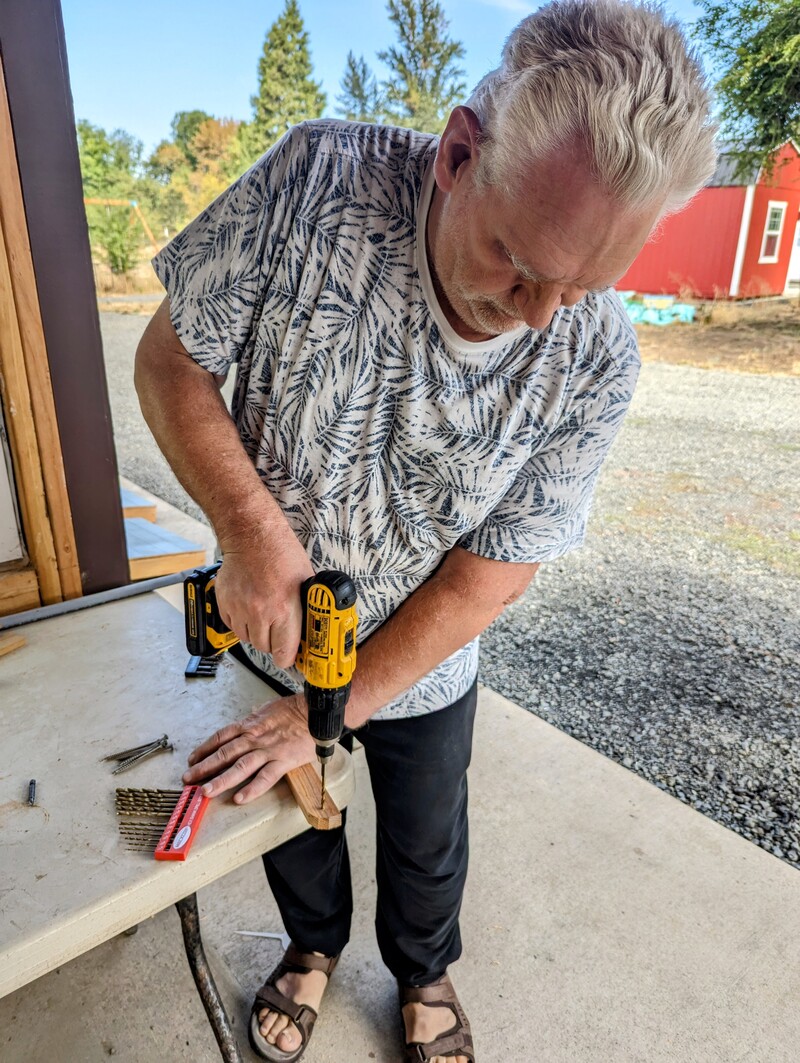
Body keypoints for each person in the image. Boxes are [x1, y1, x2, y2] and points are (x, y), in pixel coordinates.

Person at [135, 2, 716, 1059]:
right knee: (293, 813)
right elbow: (171, 361)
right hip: (276, 622)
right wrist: (250, 529)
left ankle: (422, 968)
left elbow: (490, 576)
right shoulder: (313, 183)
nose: (540, 315)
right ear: (457, 152)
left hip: (426, 661)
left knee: (424, 831)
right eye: (517, 262)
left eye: (585, 285)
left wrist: (342, 704)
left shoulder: (593, 356)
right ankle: (310, 946)